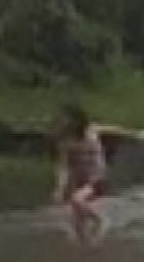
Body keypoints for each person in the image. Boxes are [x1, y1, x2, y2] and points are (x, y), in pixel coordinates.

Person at [51, 104, 121, 245]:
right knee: (77, 221)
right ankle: (86, 247)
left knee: (77, 200)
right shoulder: (65, 143)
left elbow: (113, 130)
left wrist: (133, 134)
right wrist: (60, 187)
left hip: (97, 177)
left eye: (66, 120)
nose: (63, 123)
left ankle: (100, 220)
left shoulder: (92, 131)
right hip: (78, 179)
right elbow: (64, 167)